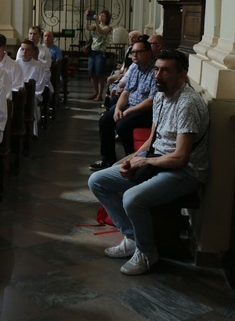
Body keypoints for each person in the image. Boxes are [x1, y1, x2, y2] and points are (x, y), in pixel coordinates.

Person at [88, 50, 209, 275]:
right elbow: (152, 140)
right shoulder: (162, 96)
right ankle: (132, 237)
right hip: (156, 161)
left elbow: (180, 157)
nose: (158, 76)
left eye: (165, 71)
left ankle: (147, 252)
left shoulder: (188, 104)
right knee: (98, 180)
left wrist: (143, 163)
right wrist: (129, 159)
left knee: (132, 199)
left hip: (185, 172)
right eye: (156, 69)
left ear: (182, 75)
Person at [90, 38, 156, 171]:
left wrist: (127, 112)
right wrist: (118, 109)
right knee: (105, 120)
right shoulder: (135, 68)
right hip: (130, 106)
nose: (134, 55)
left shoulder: (154, 71)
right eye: (133, 52)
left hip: (145, 111)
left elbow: (151, 101)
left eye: (139, 52)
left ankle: (131, 162)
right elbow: (126, 92)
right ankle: (108, 159)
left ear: (149, 53)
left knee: (122, 125)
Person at [16, 39, 52, 137]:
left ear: (32, 52)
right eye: (22, 49)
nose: (24, 52)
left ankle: (30, 132)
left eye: (27, 50)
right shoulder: (15, 64)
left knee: (30, 103)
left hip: (33, 95)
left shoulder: (38, 66)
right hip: (17, 94)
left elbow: (40, 85)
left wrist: (28, 93)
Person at [85, 10, 113, 100]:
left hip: (100, 52)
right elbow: (88, 28)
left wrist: (96, 22)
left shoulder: (108, 27)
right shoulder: (95, 26)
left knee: (100, 74)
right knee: (92, 73)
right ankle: (95, 92)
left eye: (104, 16)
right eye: (100, 15)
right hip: (92, 52)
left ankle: (100, 94)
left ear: (107, 18)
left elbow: (101, 31)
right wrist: (87, 18)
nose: (101, 17)